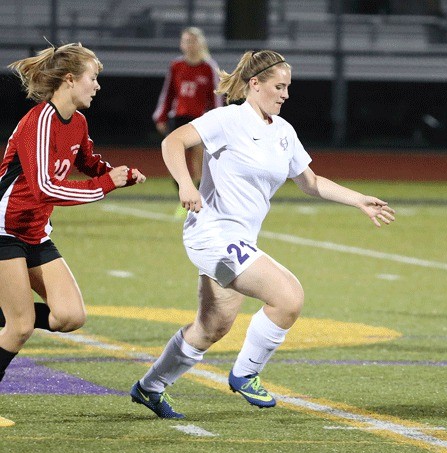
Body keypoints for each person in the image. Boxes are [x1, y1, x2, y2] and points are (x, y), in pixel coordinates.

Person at [130, 50, 395, 419]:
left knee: (211, 328)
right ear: (254, 84)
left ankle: (149, 387)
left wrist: (358, 201)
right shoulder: (227, 119)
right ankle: (245, 374)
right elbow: (172, 142)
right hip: (212, 233)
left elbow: (311, 182)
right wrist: (185, 186)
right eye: (279, 86)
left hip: (239, 240)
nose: (285, 94)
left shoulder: (284, 132)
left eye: (288, 87)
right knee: (288, 297)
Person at [0, 43, 146, 384]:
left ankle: (9, 308)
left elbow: (89, 162)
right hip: (4, 227)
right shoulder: (39, 122)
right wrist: (106, 184)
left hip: (34, 231)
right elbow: (45, 188)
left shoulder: (76, 121)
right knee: (19, 327)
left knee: (69, 316)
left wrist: (115, 175)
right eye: (92, 78)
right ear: (69, 79)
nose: (97, 86)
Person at [152, 26, 222, 216]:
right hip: (178, 117)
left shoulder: (208, 67)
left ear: (201, 43)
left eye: (193, 41)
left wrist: (218, 121)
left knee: (199, 160)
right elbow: (168, 93)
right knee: (173, 160)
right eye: (186, 41)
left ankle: (199, 201)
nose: (189, 45)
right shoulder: (176, 66)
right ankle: (185, 198)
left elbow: (216, 98)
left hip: (200, 119)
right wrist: (161, 116)